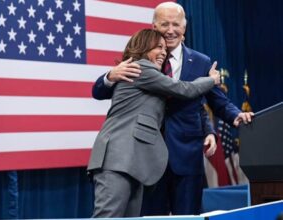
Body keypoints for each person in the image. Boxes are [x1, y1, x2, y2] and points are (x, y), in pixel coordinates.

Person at [91, 2, 254, 215]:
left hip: (186, 155)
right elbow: (99, 92)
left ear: (184, 28)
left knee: (187, 216)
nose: (170, 30)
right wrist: (109, 76)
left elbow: (215, 102)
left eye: (175, 24)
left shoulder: (201, 62)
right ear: (154, 26)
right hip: (144, 157)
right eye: (164, 24)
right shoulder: (138, 62)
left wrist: (234, 115)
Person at [87, 29, 220, 218]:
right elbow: (183, 89)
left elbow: (192, 107)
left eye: (165, 49)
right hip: (118, 159)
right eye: (159, 47)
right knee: (108, 216)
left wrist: (207, 129)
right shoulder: (141, 68)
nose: (164, 52)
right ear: (143, 47)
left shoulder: (148, 75)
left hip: (134, 163)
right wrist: (212, 79)